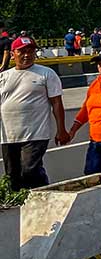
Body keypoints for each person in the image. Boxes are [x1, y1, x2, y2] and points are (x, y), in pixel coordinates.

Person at [0, 36, 69, 190]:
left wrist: (61, 129)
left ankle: (45, 196)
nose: (26, 55)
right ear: (13, 54)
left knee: (30, 170)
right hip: (9, 135)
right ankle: (19, 206)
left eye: (30, 51)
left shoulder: (46, 74)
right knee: (12, 175)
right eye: (22, 51)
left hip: (36, 133)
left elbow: (56, 103)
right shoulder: (4, 77)